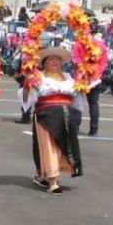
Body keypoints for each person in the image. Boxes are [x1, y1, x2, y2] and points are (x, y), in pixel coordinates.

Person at [21, 47, 82, 194]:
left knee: (64, 146)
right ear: (44, 63)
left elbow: (78, 99)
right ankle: (53, 181)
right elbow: (25, 98)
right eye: (50, 59)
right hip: (46, 115)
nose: (55, 61)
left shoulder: (69, 78)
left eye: (57, 59)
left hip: (66, 115)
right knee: (49, 147)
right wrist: (27, 86)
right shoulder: (39, 77)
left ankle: (42, 174)